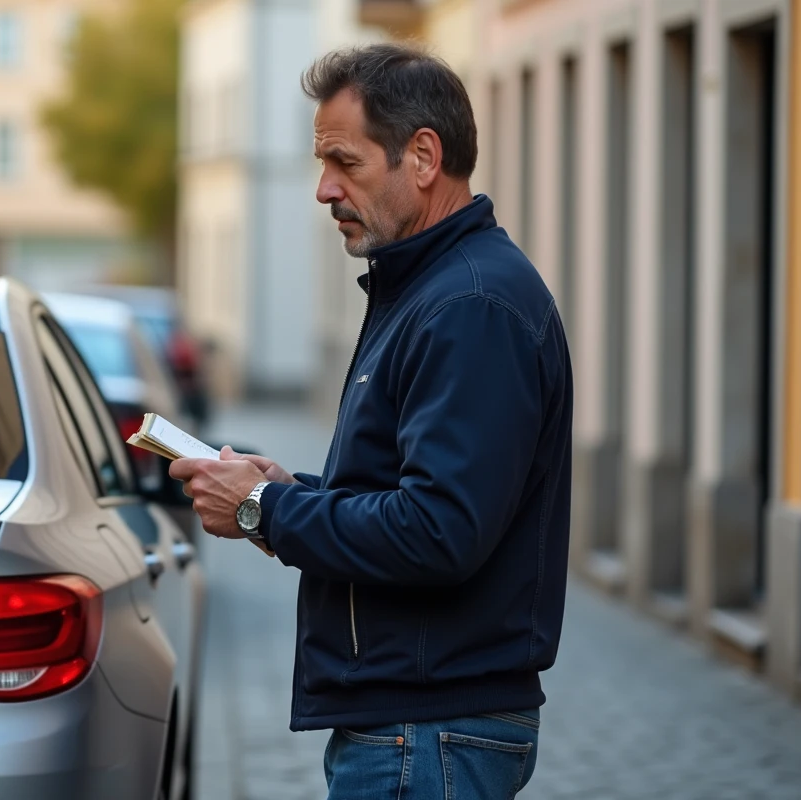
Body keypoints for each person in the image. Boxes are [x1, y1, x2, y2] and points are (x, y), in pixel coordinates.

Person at [171, 43, 573, 799]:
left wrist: (265, 509)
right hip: (419, 724)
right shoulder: (434, 290)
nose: (324, 189)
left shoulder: (468, 307)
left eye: (343, 162)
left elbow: (438, 531)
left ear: (422, 156)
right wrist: (293, 492)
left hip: (428, 732)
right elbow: (412, 489)